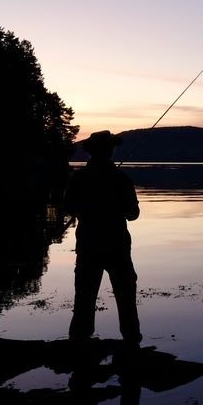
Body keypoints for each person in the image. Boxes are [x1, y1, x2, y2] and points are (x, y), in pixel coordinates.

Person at [64, 130, 142, 343]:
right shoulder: (121, 179)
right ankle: (132, 342)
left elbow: (69, 207)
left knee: (84, 297)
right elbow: (133, 215)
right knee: (126, 296)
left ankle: (79, 343)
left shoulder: (79, 178)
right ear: (110, 151)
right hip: (117, 246)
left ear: (91, 152)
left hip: (88, 245)